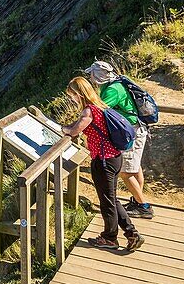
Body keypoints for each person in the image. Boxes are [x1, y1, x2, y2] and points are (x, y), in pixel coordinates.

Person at [61, 76, 144, 251]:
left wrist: (63, 129)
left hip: (103, 160)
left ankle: (110, 238)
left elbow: (75, 130)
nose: (71, 99)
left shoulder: (88, 112)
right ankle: (132, 234)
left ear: (79, 94)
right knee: (112, 199)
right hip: (115, 157)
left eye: (72, 95)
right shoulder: (100, 106)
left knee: (107, 201)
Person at [87, 60, 153, 219]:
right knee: (134, 167)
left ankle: (144, 207)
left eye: (91, 74)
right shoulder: (113, 85)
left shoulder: (112, 90)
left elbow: (99, 109)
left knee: (125, 172)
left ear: (98, 75)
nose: (90, 77)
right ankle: (138, 202)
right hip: (134, 128)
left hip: (131, 131)